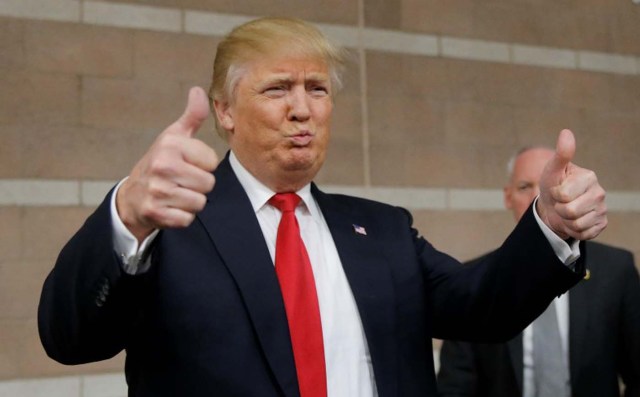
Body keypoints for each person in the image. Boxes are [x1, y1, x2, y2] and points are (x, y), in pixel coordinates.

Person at [38, 17, 608, 397]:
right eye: (277, 88)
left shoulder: (383, 231)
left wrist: (550, 228)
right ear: (225, 111)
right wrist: (127, 216)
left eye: (317, 90)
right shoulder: (169, 226)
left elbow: (483, 308)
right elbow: (70, 339)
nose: (302, 109)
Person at [437, 146, 640, 397]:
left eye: (551, 186)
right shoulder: (475, 281)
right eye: (525, 187)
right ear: (507, 196)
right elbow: (455, 386)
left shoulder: (615, 270)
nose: (539, 197)